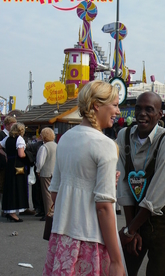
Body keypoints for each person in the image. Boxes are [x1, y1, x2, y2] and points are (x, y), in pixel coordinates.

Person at [43, 80, 126, 276]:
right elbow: (104, 208)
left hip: (62, 239)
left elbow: (55, 193)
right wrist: (116, 260)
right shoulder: (104, 144)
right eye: (114, 105)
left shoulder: (66, 139)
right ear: (97, 105)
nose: (119, 111)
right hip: (91, 240)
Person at [117, 91, 165, 276]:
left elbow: (160, 189)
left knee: (159, 270)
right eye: (138, 108)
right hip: (135, 214)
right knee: (123, 268)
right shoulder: (124, 135)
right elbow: (122, 182)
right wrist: (131, 230)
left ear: (159, 114)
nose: (142, 113)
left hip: (162, 217)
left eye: (149, 109)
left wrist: (130, 229)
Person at [0, 122, 29, 222]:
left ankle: (9, 211)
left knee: (9, 187)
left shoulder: (7, 139)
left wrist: (6, 155)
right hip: (18, 166)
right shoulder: (19, 139)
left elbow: (0, 147)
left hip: (9, 165)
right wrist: (28, 155)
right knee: (17, 187)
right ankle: (13, 212)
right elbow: (21, 154)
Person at [36, 128, 57, 221]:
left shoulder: (44, 147)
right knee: (54, 192)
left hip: (46, 172)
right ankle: (55, 211)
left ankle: (49, 213)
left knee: (47, 194)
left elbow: (40, 161)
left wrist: (38, 170)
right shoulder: (57, 146)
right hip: (55, 172)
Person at [0, 116, 17, 211]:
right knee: (1, 186)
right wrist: (6, 155)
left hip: (10, 164)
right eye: (13, 124)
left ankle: (6, 207)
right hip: (2, 164)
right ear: (7, 125)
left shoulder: (13, 136)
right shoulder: (2, 135)